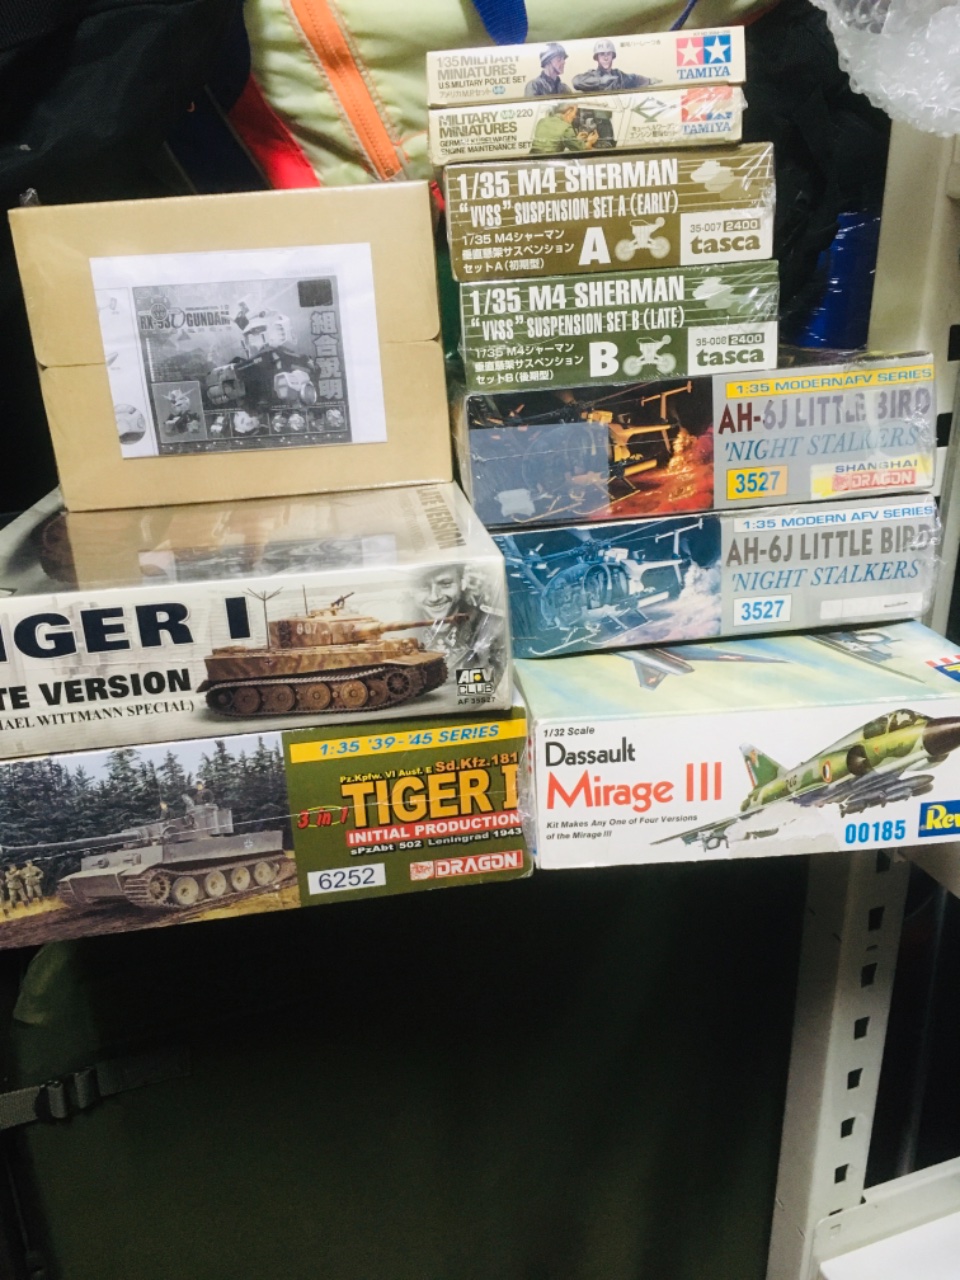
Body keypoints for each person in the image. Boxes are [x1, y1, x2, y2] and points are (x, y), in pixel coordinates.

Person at [572, 39, 654, 92]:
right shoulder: (591, 76)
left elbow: (634, 78)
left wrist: (650, 80)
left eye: (608, 54)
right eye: (602, 54)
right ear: (597, 57)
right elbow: (576, 82)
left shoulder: (619, 76)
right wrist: (601, 81)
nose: (606, 58)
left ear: (612, 56)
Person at [530, 103, 599, 155]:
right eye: (575, 113)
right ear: (569, 111)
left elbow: (552, 141)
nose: (575, 116)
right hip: (549, 161)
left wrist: (576, 140)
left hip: (533, 158)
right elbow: (582, 150)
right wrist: (590, 141)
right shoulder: (566, 128)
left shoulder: (542, 121)